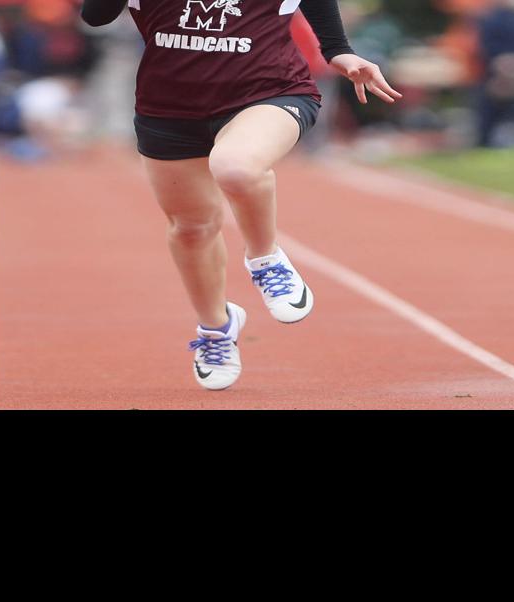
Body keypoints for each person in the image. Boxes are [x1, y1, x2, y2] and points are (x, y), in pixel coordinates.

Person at [81, 0, 399, 391]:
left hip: (269, 93)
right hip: (169, 108)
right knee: (191, 228)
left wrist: (338, 50)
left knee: (235, 166)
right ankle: (216, 328)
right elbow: (95, 16)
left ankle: (265, 260)